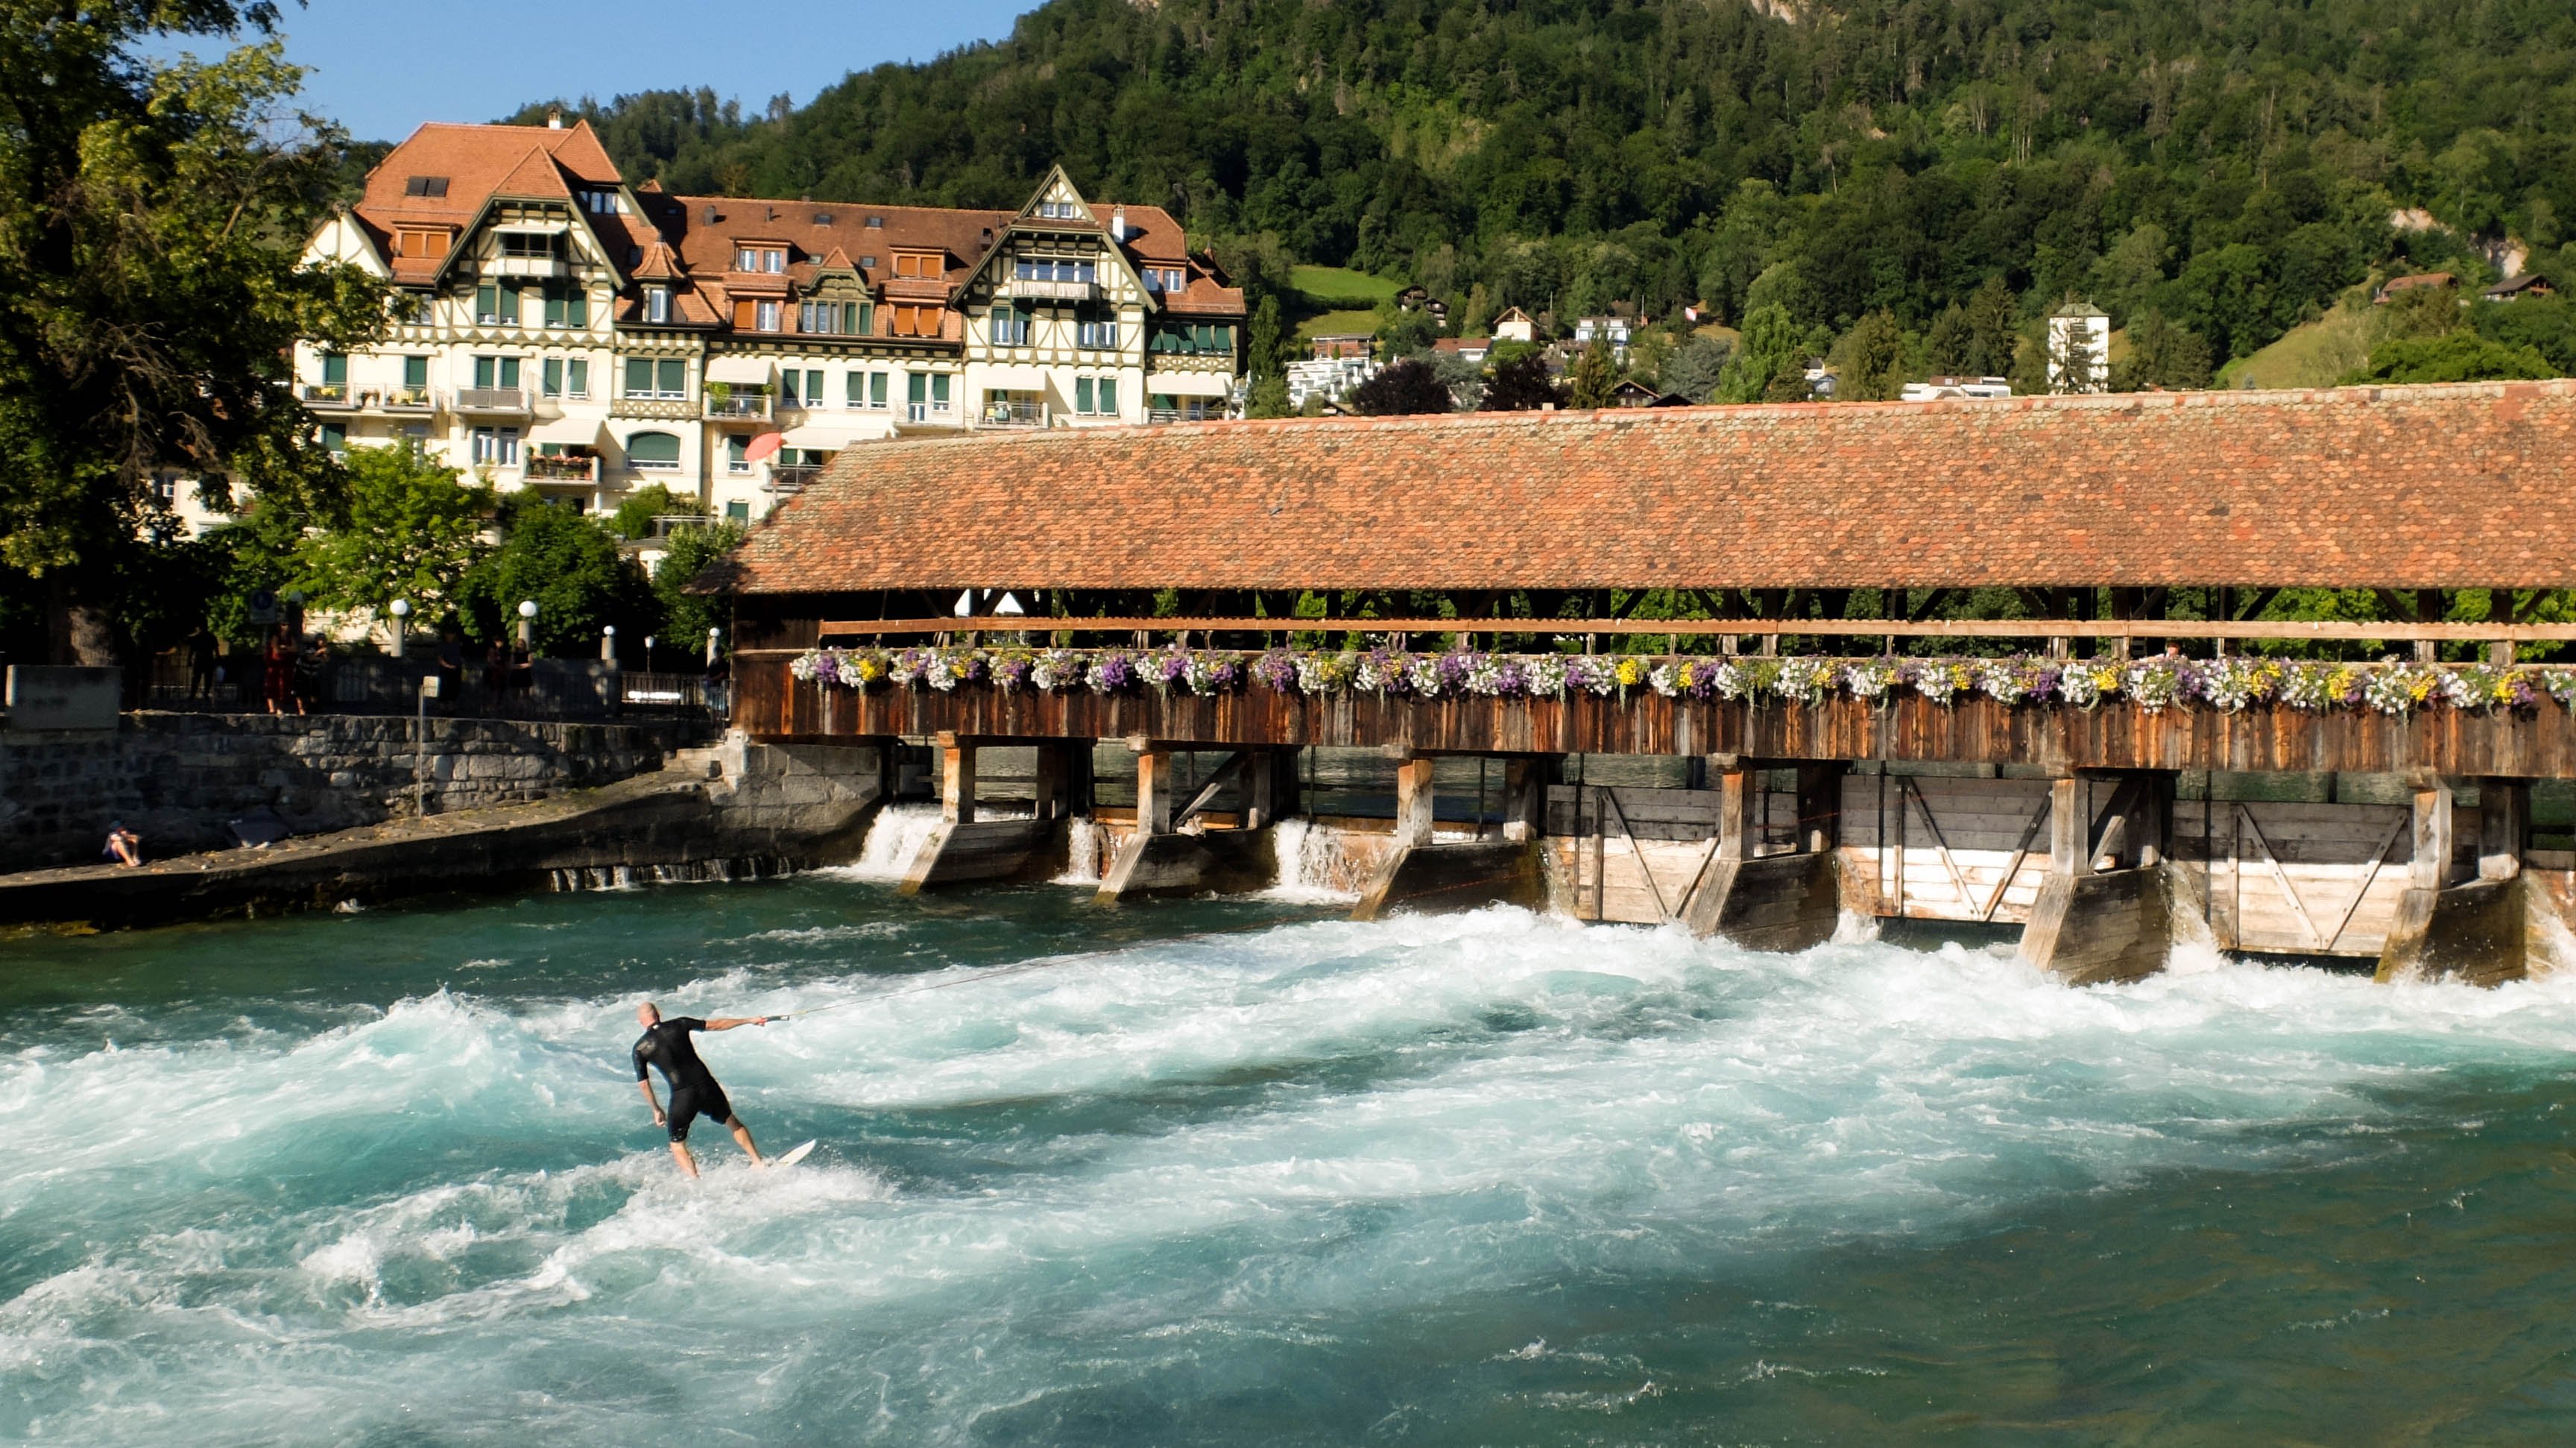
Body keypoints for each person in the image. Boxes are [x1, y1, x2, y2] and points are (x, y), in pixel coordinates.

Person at [631, 1001, 774, 1177]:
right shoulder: (680, 1024)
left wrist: (656, 1109)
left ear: (641, 1022)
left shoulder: (640, 1048)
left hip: (682, 1096)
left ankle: (695, 1182)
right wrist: (749, 1020)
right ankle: (757, 1162)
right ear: (658, 1014)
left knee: (677, 1144)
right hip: (706, 1085)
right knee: (731, 1121)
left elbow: (644, 1084)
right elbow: (716, 1025)